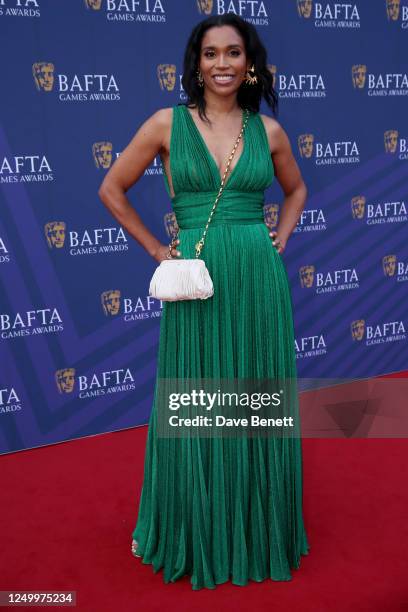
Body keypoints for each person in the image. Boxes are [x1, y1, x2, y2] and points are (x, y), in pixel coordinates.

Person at [98, 13, 310, 590]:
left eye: (233, 53)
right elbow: (111, 188)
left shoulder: (268, 132)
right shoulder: (166, 123)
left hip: (256, 277)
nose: (222, 63)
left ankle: (255, 526)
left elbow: (296, 190)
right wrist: (155, 250)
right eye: (210, 53)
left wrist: (281, 235)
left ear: (250, 64)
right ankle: (197, 527)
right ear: (196, 63)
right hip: (197, 278)